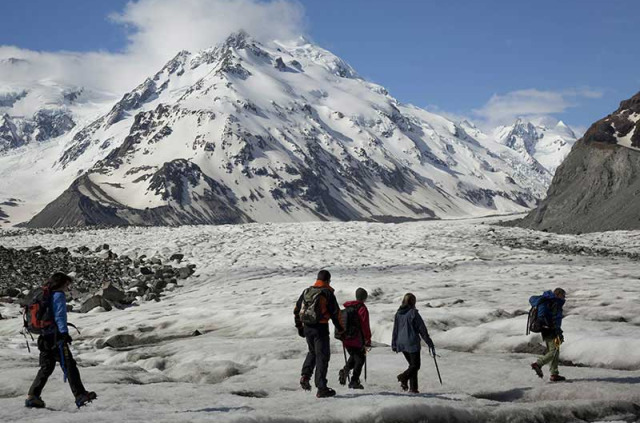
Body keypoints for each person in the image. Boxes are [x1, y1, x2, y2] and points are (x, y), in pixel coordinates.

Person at [25, 273, 97, 408]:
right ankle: (80, 395)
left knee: (46, 367)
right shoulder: (58, 295)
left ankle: (32, 396)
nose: (67, 287)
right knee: (69, 365)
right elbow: (60, 316)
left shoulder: (43, 294)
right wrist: (64, 334)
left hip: (44, 336)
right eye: (67, 284)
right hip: (55, 337)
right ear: (62, 283)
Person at [294, 270, 344, 398]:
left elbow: (296, 310)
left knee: (312, 352)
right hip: (320, 327)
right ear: (328, 280)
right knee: (322, 356)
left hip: (307, 327)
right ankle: (321, 388)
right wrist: (341, 330)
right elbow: (336, 314)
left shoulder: (307, 291)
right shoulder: (327, 293)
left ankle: (305, 376)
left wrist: (300, 328)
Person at [391, 293, 435, 394]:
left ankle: (413, 388)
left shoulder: (398, 313)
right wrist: (429, 343)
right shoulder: (413, 313)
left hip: (401, 343)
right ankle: (403, 377)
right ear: (413, 302)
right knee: (415, 366)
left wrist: (394, 344)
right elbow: (422, 329)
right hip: (411, 343)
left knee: (412, 366)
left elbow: (395, 330)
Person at [530, 287, 567, 382]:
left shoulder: (551, 301)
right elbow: (553, 319)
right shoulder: (554, 302)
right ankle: (538, 364)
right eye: (563, 295)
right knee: (554, 351)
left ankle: (554, 374)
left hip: (549, 330)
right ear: (558, 294)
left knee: (555, 350)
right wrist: (556, 330)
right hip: (551, 330)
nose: (564, 297)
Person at [338, 288, 372, 389]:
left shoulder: (348, 307)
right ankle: (354, 381)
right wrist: (367, 340)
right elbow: (365, 325)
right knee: (360, 359)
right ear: (365, 297)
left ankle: (345, 370)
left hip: (346, 339)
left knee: (354, 356)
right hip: (357, 339)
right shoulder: (362, 309)